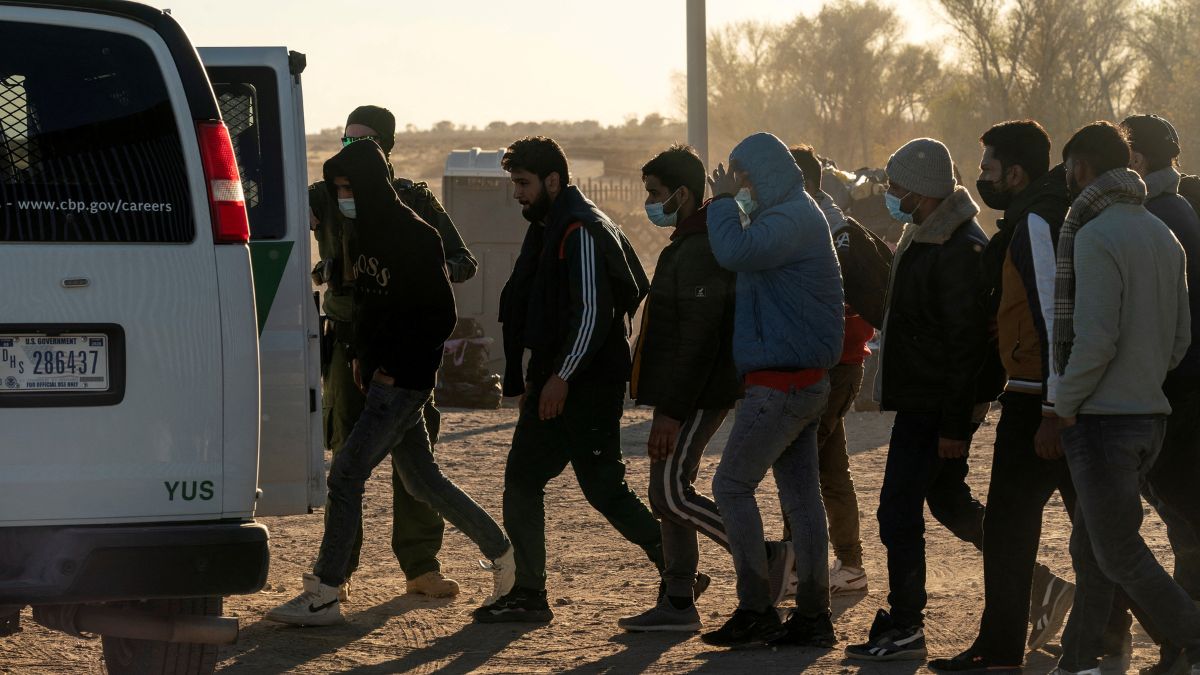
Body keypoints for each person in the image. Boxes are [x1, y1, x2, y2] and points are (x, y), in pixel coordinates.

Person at [267, 138, 514, 626]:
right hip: (380, 375)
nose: (341, 197)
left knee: (345, 475)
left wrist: (397, 368)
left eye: (346, 187)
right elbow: (374, 308)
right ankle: (506, 556)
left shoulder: (415, 236)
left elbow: (439, 315)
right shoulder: (364, 234)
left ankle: (325, 591)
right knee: (425, 483)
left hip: (402, 383)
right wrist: (362, 355)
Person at [474, 136, 664, 624]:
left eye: (523, 183)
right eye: (514, 183)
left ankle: (678, 569)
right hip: (556, 382)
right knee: (522, 478)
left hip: (586, 384)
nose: (517, 194)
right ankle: (530, 592)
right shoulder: (549, 226)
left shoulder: (578, 230)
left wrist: (561, 376)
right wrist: (535, 381)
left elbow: (593, 312)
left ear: (553, 182)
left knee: (604, 489)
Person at [1048, 120, 1200, 675]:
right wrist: (1141, 379)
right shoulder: (1164, 234)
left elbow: (1094, 339)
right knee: (1093, 549)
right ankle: (1078, 654)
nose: (1066, 179)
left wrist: (1063, 404)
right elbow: (1180, 340)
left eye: (1068, 169)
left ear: (1082, 168)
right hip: (1148, 415)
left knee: (1116, 551)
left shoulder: (1093, 235)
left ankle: (1191, 634)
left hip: (1103, 420)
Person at [309, 105, 478, 600]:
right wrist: (325, 273)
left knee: (415, 466)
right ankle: (336, 575)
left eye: (365, 143)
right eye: (346, 141)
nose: (353, 151)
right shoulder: (324, 196)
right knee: (347, 461)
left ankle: (421, 565)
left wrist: (424, 274)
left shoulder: (414, 204)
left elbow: (461, 260)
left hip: (403, 350)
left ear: (387, 151)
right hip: (348, 343)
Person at [929, 120, 1077, 672]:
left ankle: (1001, 650)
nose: (983, 177)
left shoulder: (1036, 220)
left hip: (1041, 400)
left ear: (1016, 172)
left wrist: (1052, 409)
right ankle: (1009, 647)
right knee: (1067, 532)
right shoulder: (1032, 216)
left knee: (1027, 533)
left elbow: (1050, 314)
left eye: (989, 167)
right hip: (1045, 396)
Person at [619, 144, 782, 633]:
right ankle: (677, 599)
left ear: (683, 194)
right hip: (681, 391)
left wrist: (671, 411)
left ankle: (765, 556)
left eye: (655, 194)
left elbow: (698, 338)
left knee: (669, 495)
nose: (649, 203)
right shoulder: (689, 242)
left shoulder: (705, 245)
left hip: (693, 393)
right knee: (667, 489)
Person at [846, 138, 994, 662]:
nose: (891, 193)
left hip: (936, 404)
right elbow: (909, 321)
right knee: (948, 501)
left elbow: (965, 345)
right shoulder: (928, 235)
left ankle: (908, 623)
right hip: (928, 397)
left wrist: (955, 424)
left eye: (897, 186)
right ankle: (1036, 586)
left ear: (923, 190)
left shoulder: (956, 248)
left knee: (896, 511)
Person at [699, 132, 845, 649]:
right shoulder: (795, 215)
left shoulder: (790, 221)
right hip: (799, 383)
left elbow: (733, 251)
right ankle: (812, 615)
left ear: (764, 175)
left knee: (731, 487)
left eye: (743, 177)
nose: (739, 186)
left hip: (781, 386)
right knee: (802, 498)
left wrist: (718, 203)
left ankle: (757, 607)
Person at [1095, 114, 1200, 675]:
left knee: (1133, 526)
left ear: (1135, 161)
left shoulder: (1157, 217)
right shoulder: (1172, 210)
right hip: (1174, 385)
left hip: (1164, 391)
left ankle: (1174, 640)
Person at [789, 144, 891, 595]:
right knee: (829, 471)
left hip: (831, 368)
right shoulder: (832, 227)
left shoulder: (833, 235)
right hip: (840, 365)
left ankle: (797, 569)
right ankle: (848, 566)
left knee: (799, 470)